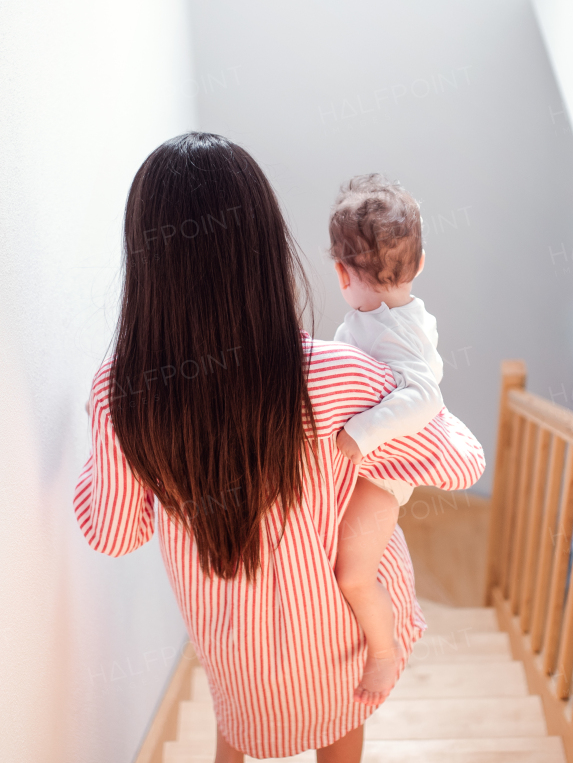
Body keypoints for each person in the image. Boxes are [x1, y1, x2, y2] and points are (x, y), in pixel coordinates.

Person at [74, 132, 484, 763]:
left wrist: (105, 440)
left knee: (238, 726)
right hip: (336, 630)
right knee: (340, 721)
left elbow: (114, 532)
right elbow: (461, 465)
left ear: (146, 262)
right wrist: (407, 405)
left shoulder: (121, 395)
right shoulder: (338, 376)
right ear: (265, 251)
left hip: (230, 641)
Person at [326, 174, 444, 706]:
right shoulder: (375, 316)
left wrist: (360, 434)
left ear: (340, 273)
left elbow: (425, 398)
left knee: (353, 574)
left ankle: (383, 649)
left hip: (381, 478)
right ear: (420, 265)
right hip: (368, 469)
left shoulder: (394, 328)